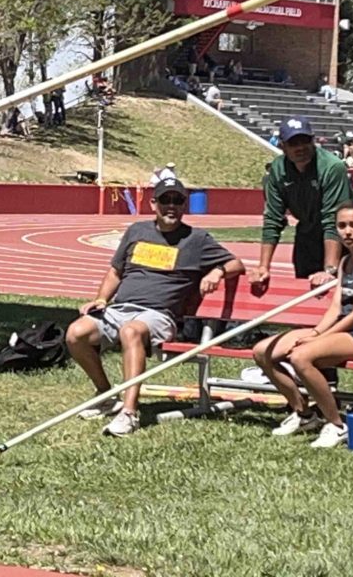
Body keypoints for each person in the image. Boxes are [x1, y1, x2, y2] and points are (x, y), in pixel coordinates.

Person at [65, 178, 245, 436]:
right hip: (121, 308)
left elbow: (236, 264)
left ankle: (129, 412)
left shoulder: (197, 239)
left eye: (177, 201)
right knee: (76, 333)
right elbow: (116, 271)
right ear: (153, 204)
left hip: (160, 316)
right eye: (165, 200)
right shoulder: (136, 231)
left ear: (185, 206)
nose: (171, 206)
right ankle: (106, 394)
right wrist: (102, 299)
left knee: (131, 331)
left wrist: (216, 272)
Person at [252, 201, 353, 448]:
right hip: (340, 328)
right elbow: (337, 308)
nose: (347, 231)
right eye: (341, 226)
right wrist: (317, 331)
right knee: (262, 351)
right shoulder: (345, 261)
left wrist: (316, 339)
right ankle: (305, 414)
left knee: (301, 357)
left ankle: (337, 425)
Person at [251, 116, 353, 297]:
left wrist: (329, 270)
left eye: (305, 141)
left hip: (345, 241)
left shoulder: (332, 167)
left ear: (313, 141)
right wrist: (263, 267)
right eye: (293, 143)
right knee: (309, 298)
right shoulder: (277, 170)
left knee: (344, 300)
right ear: (282, 146)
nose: (300, 148)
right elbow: (273, 219)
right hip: (306, 238)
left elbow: (333, 220)